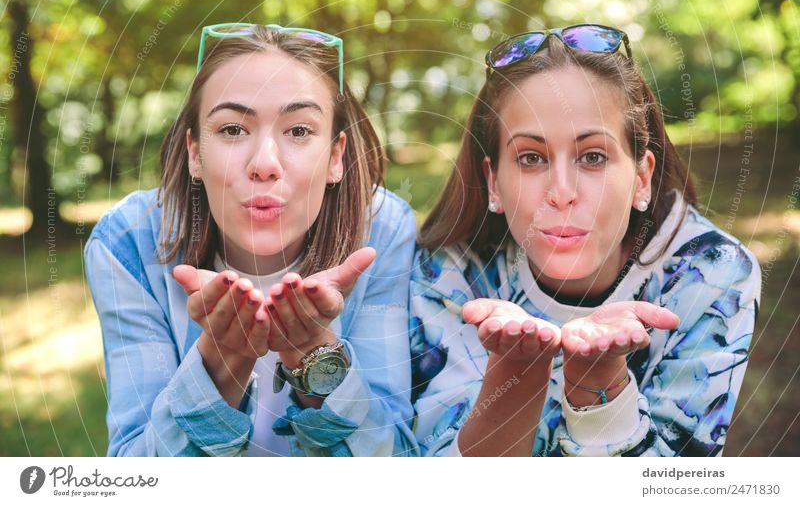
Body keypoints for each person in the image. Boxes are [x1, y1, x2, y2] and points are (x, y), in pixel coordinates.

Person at [409, 24, 760, 456]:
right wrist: (516, 371)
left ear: (641, 177)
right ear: (494, 182)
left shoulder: (711, 273)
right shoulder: (449, 275)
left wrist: (600, 386)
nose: (561, 191)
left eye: (593, 157)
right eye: (531, 158)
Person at [85, 23, 417, 456]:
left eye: (298, 131)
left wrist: (316, 354)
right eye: (232, 130)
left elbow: (397, 466)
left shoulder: (383, 230)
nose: (264, 164)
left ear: (336, 156)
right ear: (193, 152)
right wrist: (220, 364)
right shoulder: (129, 242)